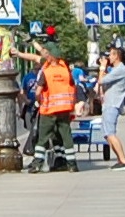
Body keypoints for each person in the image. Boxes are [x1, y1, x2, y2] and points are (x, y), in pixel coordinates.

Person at [14, 39, 78, 173]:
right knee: (66, 136)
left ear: (48, 54)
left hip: (49, 109)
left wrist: (38, 101)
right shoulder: (64, 67)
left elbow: (38, 92)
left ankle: (37, 163)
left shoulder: (46, 71)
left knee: (42, 137)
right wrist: (31, 44)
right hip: (65, 108)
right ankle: (71, 164)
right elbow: (72, 85)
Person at [97, 47, 125, 170]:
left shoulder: (120, 69)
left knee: (110, 133)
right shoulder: (115, 70)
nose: (109, 57)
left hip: (113, 104)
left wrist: (102, 67)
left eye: (111, 55)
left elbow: (101, 81)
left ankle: (124, 161)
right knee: (107, 134)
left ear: (117, 56)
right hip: (109, 103)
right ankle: (120, 159)